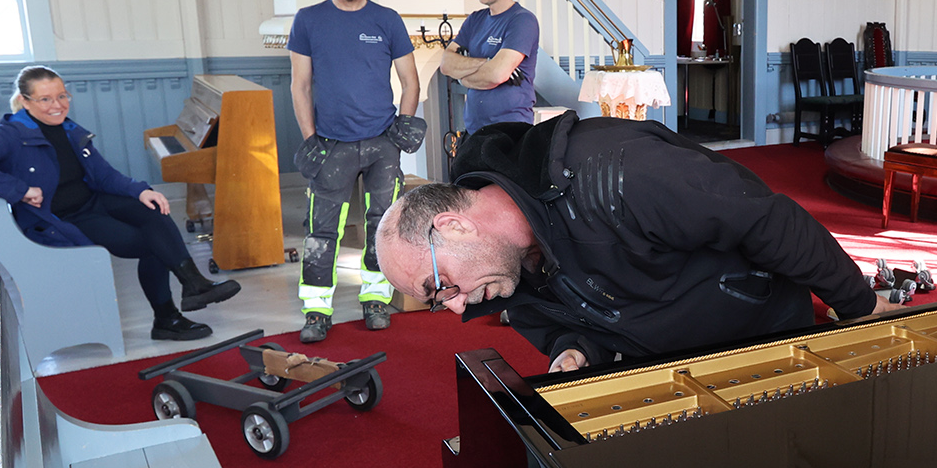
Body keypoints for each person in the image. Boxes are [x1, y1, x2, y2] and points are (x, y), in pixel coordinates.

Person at [372, 112, 895, 373]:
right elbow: (564, 317)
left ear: (453, 226)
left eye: (441, 287)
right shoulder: (500, 272)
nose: (460, 305)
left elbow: (768, 222)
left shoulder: (618, 174)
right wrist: (575, 348)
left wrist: (859, 304)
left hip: (760, 335)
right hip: (671, 372)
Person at [0, 66, 239, 341]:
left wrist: (139, 191)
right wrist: (19, 189)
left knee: (153, 210)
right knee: (150, 243)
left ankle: (194, 284)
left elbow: (103, 174)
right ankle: (166, 318)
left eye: (62, 96)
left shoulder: (69, 128)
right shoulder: (10, 135)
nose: (57, 105)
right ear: (25, 102)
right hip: (65, 216)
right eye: (45, 99)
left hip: (93, 200)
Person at [289, 0, 427, 342]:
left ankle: (375, 299)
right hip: (330, 144)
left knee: (382, 226)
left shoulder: (386, 20)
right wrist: (310, 137)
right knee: (321, 230)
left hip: (383, 142)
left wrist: (405, 122)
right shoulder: (309, 20)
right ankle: (316, 309)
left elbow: (410, 80)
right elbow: (299, 85)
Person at [440, 0, 539, 134]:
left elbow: (497, 75)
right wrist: (487, 63)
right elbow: (446, 64)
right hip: (474, 130)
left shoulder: (522, 20)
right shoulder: (475, 19)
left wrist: (462, 76)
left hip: (510, 130)